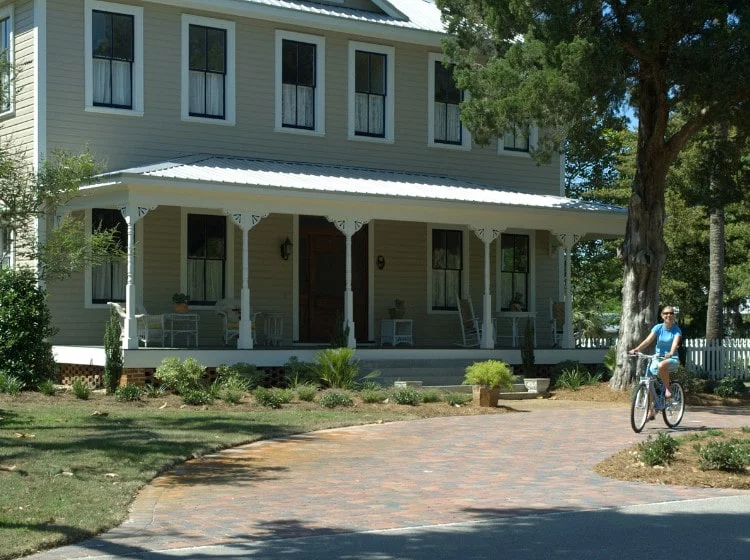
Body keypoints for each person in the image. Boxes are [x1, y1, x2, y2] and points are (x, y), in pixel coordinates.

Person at [630, 306, 682, 416]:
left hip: (671, 359)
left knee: (662, 365)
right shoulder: (658, 327)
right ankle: (650, 411)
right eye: (666, 313)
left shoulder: (676, 330)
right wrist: (637, 349)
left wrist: (671, 353)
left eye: (671, 313)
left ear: (673, 315)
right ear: (662, 315)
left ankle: (668, 390)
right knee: (649, 382)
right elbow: (648, 340)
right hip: (657, 357)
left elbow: (675, 343)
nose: (669, 315)